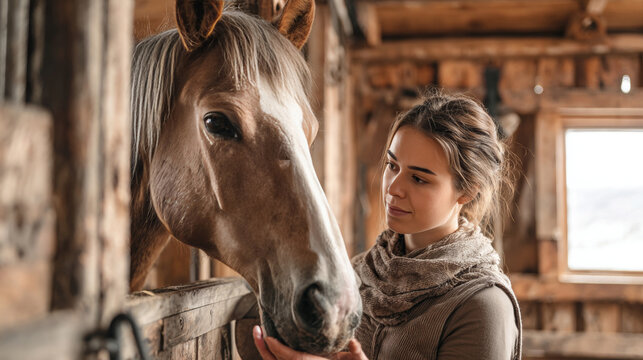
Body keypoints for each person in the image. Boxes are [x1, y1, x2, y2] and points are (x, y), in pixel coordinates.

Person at [253, 90, 522, 360]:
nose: (393, 188)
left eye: (418, 178)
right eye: (392, 165)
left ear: (467, 192)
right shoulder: (360, 273)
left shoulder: (483, 304)